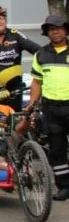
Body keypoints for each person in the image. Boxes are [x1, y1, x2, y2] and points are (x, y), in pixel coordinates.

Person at [29, 14, 69, 200]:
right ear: (47, 33)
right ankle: (64, 186)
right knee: (57, 148)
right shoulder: (41, 54)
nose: (56, 31)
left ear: (66, 30)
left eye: (59, 28)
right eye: (51, 29)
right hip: (52, 108)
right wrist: (32, 103)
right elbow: (37, 82)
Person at [0, 6, 39, 112]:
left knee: (16, 117)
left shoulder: (15, 35)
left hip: (16, 86)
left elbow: (37, 50)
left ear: (5, 20)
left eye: (0, 19)